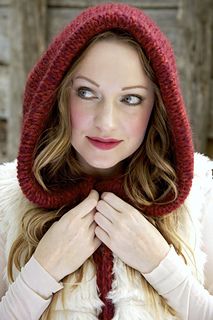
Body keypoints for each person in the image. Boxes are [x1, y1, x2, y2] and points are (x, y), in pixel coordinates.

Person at [0, 2, 213, 320]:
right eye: (86, 92)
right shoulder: (4, 200)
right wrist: (39, 274)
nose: (106, 123)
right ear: (58, 94)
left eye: (130, 99)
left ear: (158, 106)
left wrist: (163, 267)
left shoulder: (203, 197)